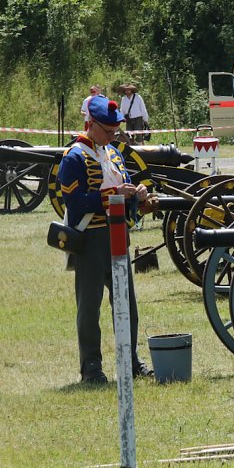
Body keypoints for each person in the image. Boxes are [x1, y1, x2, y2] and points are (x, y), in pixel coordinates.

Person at [57, 95, 155, 384]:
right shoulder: (74, 157)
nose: (113, 136)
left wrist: (137, 196)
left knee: (127, 304)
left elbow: (124, 189)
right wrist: (113, 195)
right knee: (89, 307)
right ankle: (91, 367)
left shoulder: (113, 153)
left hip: (118, 235)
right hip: (90, 238)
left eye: (115, 131)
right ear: (91, 125)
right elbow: (73, 203)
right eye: (108, 131)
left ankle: (130, 360)